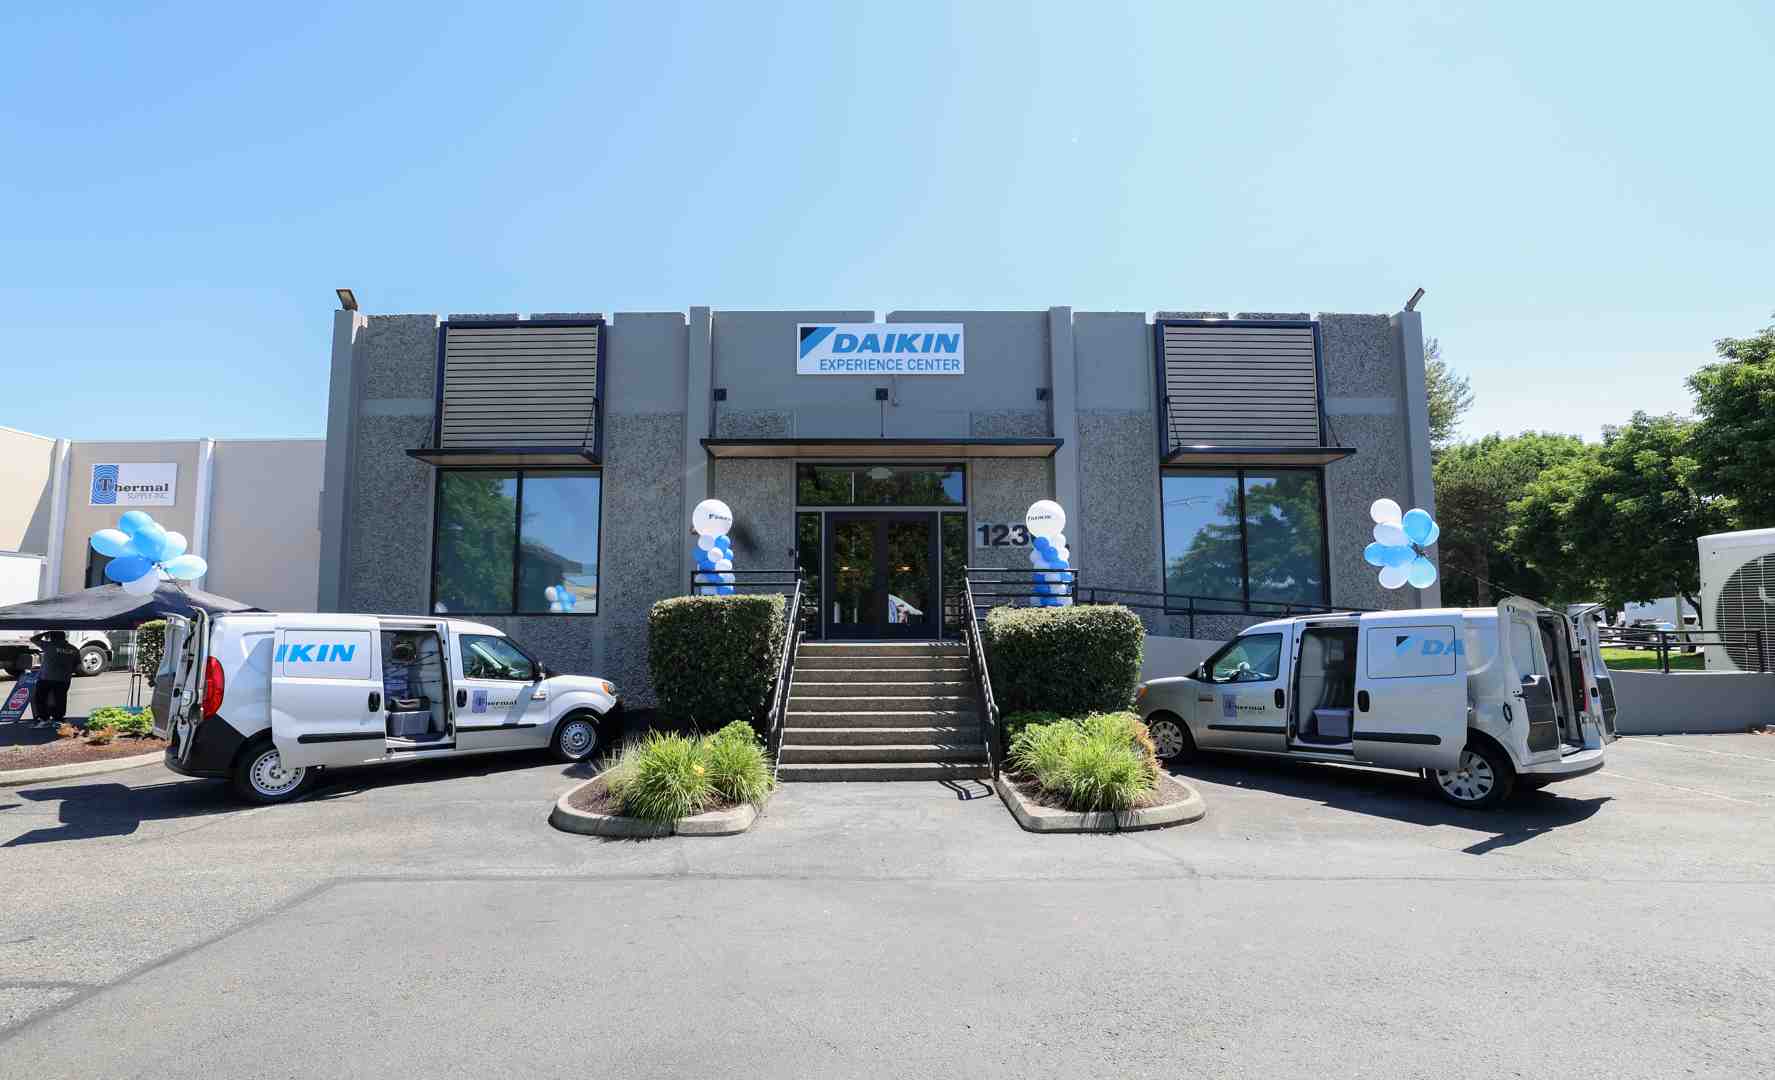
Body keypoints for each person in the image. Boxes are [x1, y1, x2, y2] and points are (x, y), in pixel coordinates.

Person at [29, 631, 79, 730]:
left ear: (52, 637)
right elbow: (77, 663)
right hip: (64, 678)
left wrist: (45, 633)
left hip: (46, 678)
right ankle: (58, 719)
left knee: (40, 698)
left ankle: (44, 719)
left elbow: (33, 639)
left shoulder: (49, 645)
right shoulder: (73, 649)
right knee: (60, 699)